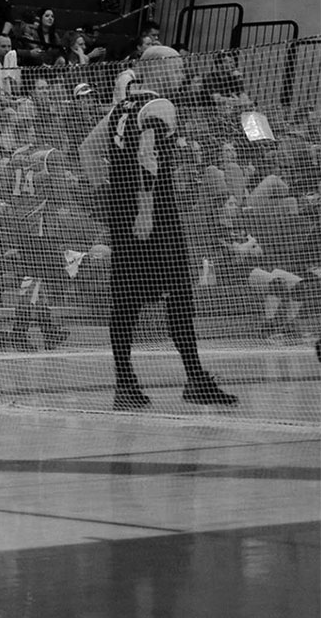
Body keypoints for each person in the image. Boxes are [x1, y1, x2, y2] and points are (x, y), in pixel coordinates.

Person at [78, 46, 238, 409]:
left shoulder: (120, 108)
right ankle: (196, 380)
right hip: (155, 212)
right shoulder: (161, 106)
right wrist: (147, 209)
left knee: (126, 301)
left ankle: (126, 385)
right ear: (160, 68)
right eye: (178, 66)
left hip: (122, 211)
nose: (182, 73)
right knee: (180, 294)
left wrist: (109, 197)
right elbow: (148, 155)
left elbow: (87, 150)